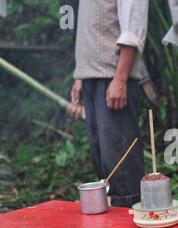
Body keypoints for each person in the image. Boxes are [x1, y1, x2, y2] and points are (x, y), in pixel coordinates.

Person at [69, 0, 149, 207]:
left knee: (121, 166)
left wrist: (120, 79)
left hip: (113, 78)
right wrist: (81, 76)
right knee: (102, 161)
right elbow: (91, 28)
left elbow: (133, 27)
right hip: (93, 77)